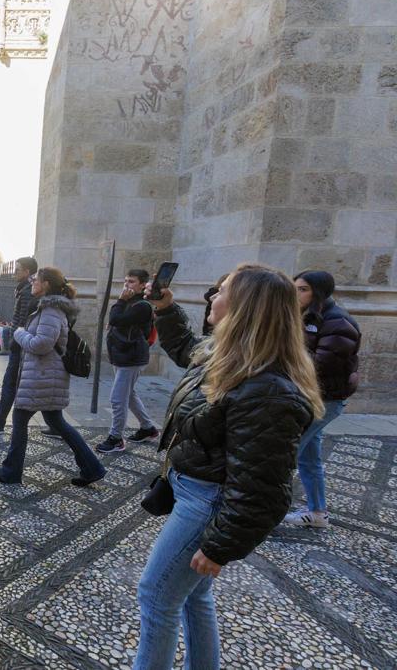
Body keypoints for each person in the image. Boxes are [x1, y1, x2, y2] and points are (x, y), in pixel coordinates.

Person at [133, 264, 321, 669]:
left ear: (246, 309)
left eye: (220, 291)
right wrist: (165, 308)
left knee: (156, 596)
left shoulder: (268, 389)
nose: (211, 298)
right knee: (193, 595)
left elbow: (264, 489)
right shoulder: (226, 355)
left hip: (208, 502)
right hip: (194, 490)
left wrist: (221, 545)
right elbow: (187, 348)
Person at [0, 267, 106, 487]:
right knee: (56, 422)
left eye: (35, 280)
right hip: (43, 377)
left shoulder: (51, 311)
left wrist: (19, 332)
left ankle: (11, 472)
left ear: (47, 284)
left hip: (42, 378)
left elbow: (41, 344)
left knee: (21, 420)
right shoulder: (48, 309)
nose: (32, 283)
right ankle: (92, 467)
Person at [284, 270, 361, 529]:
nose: (296, 294)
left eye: (302, 289)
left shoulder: (339, 323)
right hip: (309, 396)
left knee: (284, 456)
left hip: (323, 400)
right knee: (308, 457)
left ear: (318, 292)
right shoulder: (307, 316)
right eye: (295, 288)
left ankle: (264, 512)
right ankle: (318, 512)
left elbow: (320, 366)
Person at [96, 268, 160, 453]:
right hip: (123, 355)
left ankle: (116, 438)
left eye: (131, 281)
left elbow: (115, 318)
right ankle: (148, 428)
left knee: (117, 399)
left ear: (142, 284)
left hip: (132, 357)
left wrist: (120, 301)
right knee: (129, 395)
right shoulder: (131, 302)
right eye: (126, 281)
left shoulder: (141, 305)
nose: (127, 285)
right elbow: (118, 320)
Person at [0, 256, 38, 433]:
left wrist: (14, 339)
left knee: (10, 384)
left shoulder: (27, 292)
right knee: (22, 385)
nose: (14, 274)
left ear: (27, 272)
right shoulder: (24, 289)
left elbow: (24, 320)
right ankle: (56, 424)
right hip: (19, 344)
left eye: (17, 270)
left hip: (20, 346)